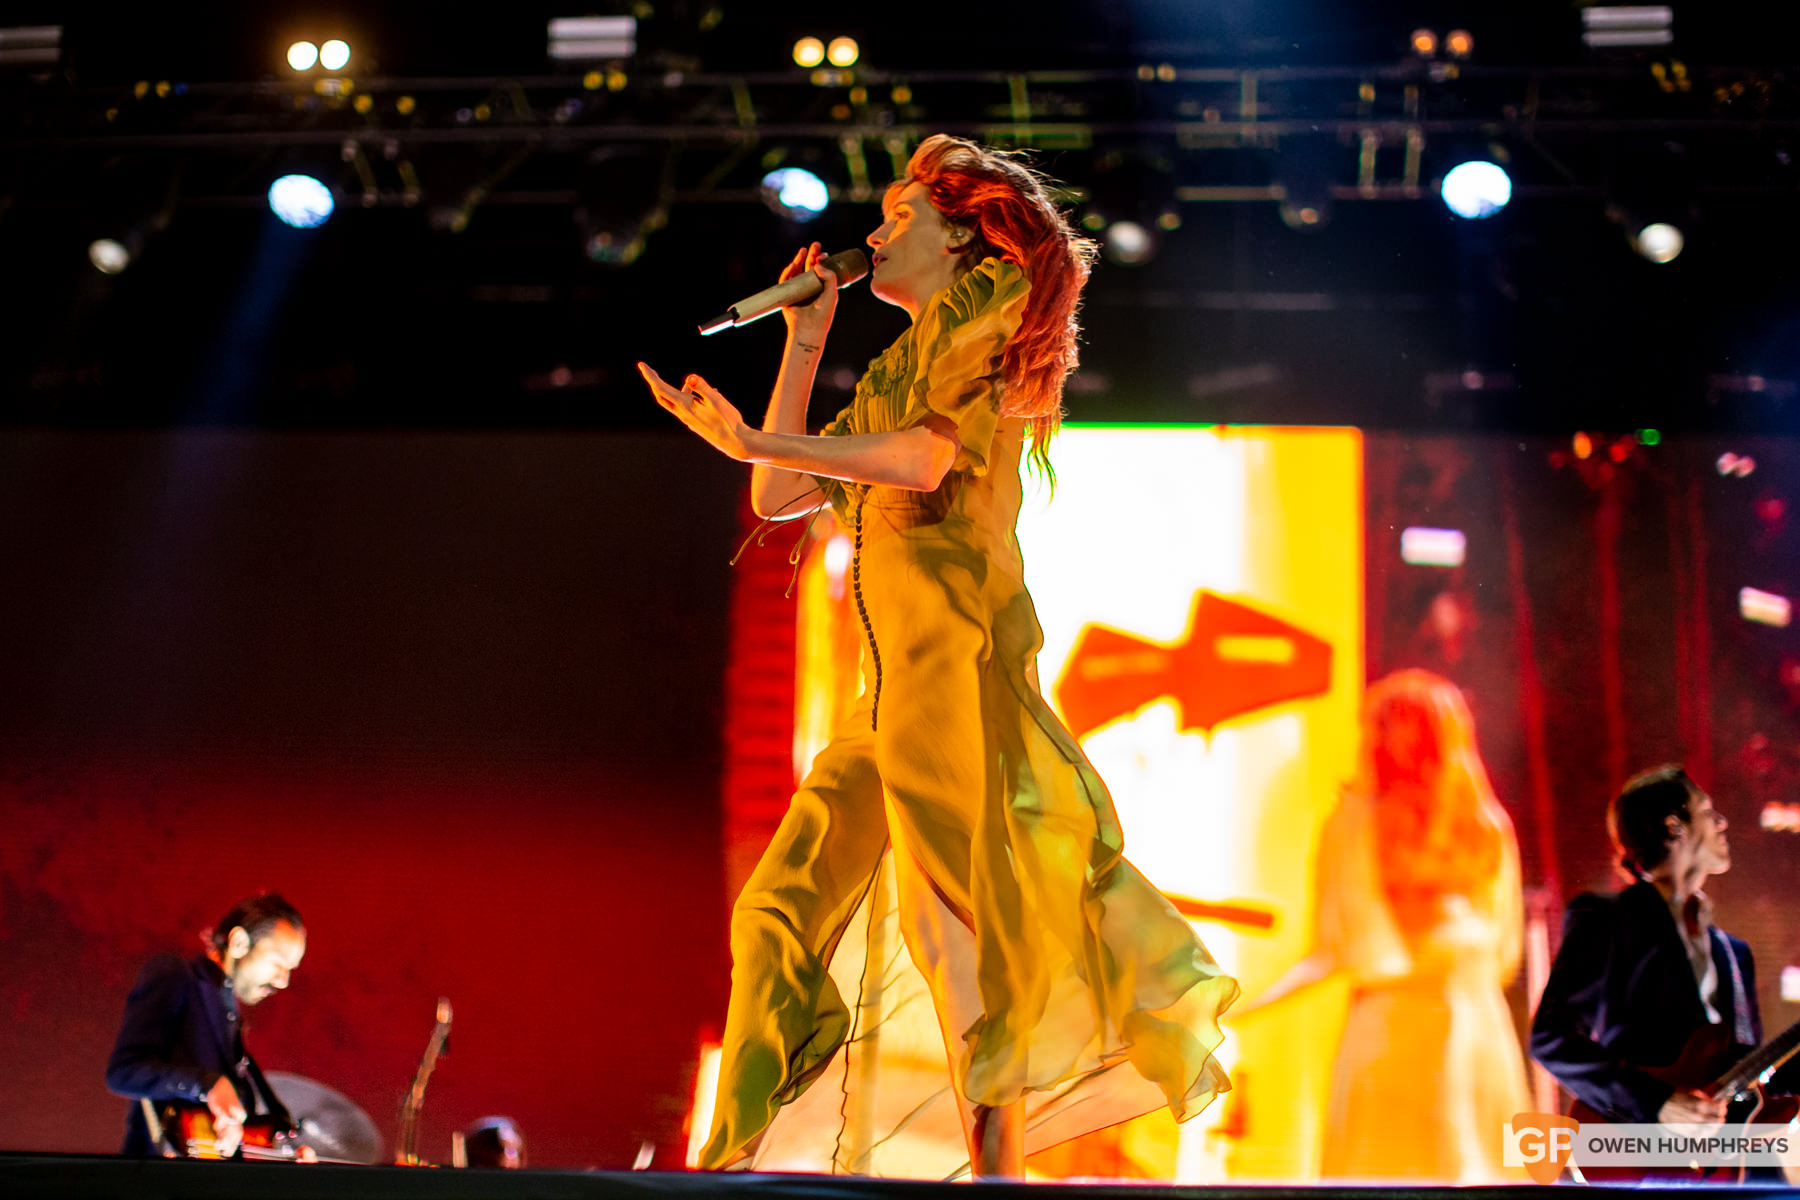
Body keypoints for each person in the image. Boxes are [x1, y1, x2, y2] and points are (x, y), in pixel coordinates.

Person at [639, 134, 1237, 1178]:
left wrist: (760, 444)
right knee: (778, 909)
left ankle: (995, 1171)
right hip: (884, 698)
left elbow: (923, 462)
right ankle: (739, 1155)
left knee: (952, 934)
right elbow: (781, 499)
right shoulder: (900, 360)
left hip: (951, 677)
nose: (870, 235)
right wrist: (805, 341)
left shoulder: (988, 303)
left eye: (898, 217)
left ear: (965, 235)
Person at [1242, 670, 1531, 1183]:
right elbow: (1329, 946)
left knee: (1470, 1170)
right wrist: (1241, 1004)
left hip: (1466, 1022)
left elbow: (1499, 944)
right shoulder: (1354, 823)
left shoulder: (1484, 827)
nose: (1378, 739)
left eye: (1393, 725)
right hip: (1392, 1025)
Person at [1531, 767, 1797, 1138]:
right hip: (1637, 1148)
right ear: (1674, 826)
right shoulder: (1607, 920)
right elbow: (1551, 1039)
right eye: (1706, 811)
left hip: (1722, 1164)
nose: (1722, 823)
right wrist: (1658, 1102)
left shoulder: (1735, 954)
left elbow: (1750, 1077)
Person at [105, 894, 307, 1157]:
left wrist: (286, 1156)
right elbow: (123, 1073)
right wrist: (207, 1085)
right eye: (278, 964)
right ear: (238, 943)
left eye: (290, 970)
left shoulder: (231, 1020)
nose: (283, 981)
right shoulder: (176, 975)